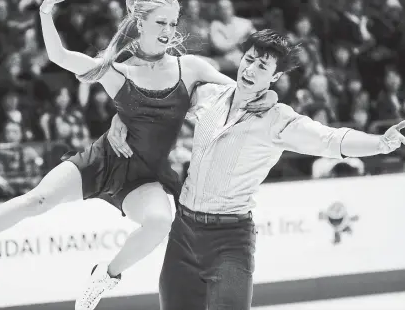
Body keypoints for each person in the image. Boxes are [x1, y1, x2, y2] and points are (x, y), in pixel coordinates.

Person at [0, 0, 277, 310]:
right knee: (36, 200)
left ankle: (104, 275)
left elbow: (239, 92)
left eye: (172, 22)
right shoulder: (118, 72)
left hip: (145, 174)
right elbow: (59, 56)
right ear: (140, 23)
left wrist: (269, 92)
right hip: (104, 160)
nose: (168, 29)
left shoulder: (191, 67)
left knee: (159, 222)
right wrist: (45, 13)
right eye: (160, 22)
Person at [108, 29, 405, 310]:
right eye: (248, 60)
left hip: (230, 238)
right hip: (183, 231)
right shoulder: (208, 96)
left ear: (275, 76)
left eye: (262, 66)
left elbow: (330, 139)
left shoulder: (278, 120)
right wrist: (121, 119)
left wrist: (378, 143)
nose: (250, 70)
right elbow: (157, 105)